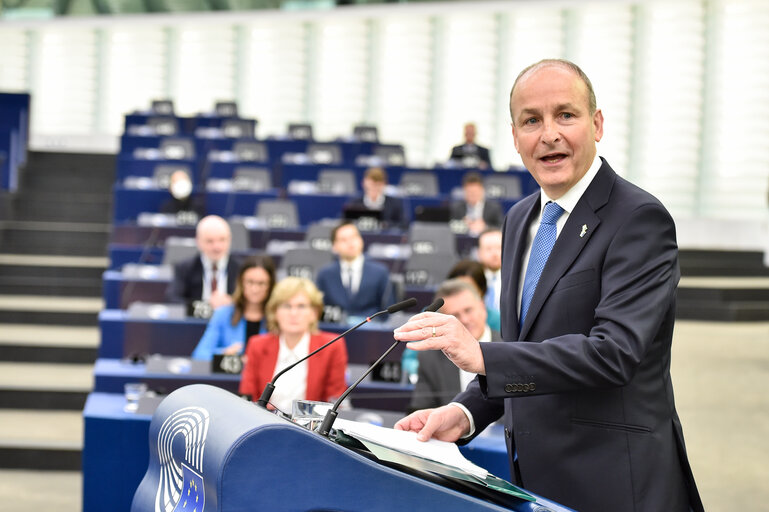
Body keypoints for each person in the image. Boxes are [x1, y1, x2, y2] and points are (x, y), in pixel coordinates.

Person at [393, 59, 703, 512]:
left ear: (597, 124)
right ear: (515, 137)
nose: (549, 133)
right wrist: (463, 413)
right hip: (535, 483)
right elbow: (523, 347)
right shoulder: (519, 219)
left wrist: (482, 355)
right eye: (531, 120)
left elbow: (613, 353)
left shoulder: (639, 219)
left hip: (617, 485)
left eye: (566, 115)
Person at [239, 276, 348, 413]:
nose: (293, 313)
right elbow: (247, 399)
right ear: (275, 312)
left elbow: (334, 401)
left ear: (313, 313)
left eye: (301, 306)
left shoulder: (331, 346)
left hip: (310, 431)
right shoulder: (257, 345)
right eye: (286, 306)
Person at [408, 279, 501, 412]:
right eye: (455, 316)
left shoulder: (508, 345)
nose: (464, 320)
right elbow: (420, 410)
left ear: (483, 307)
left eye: (468, 310)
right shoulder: (429, 359)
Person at [191, 255, 275, 361]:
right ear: (241, 282)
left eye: (261, 283)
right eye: (250, 282)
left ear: (271, 285)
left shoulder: (279, 317)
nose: (255, 289)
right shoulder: (223, 314)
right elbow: (199, 354)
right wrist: (223, 354)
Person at [315, 221, 396, 320]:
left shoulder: (380, 272)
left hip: (371, 331)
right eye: (343, 239)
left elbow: (388, 312)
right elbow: (318, 311)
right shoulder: (325, 274)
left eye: (354, 237)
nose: (350, 243)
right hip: (336, 331)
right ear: (334, 247)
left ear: (361, 240)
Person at [166, 215, 239, 316]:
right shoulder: (185, 268)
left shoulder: (241, 269)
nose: (217, 247)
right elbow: (172, 299)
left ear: (230, 240)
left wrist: (232, 303)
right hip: (195, 325)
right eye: (210, 241)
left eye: (222, 240)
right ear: (198, 241)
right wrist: (204, 307)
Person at [447, 259, 500, 331]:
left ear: (481, 291)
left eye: (469, 289)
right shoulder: (432, 315)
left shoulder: (497, 321)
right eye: (457, 289)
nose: (464, 320)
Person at [477, 228, 502, 315]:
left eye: (499, 248)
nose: (494, 253)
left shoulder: (516, 281)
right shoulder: (473, 280)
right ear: (479, 253)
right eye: (488, 249)